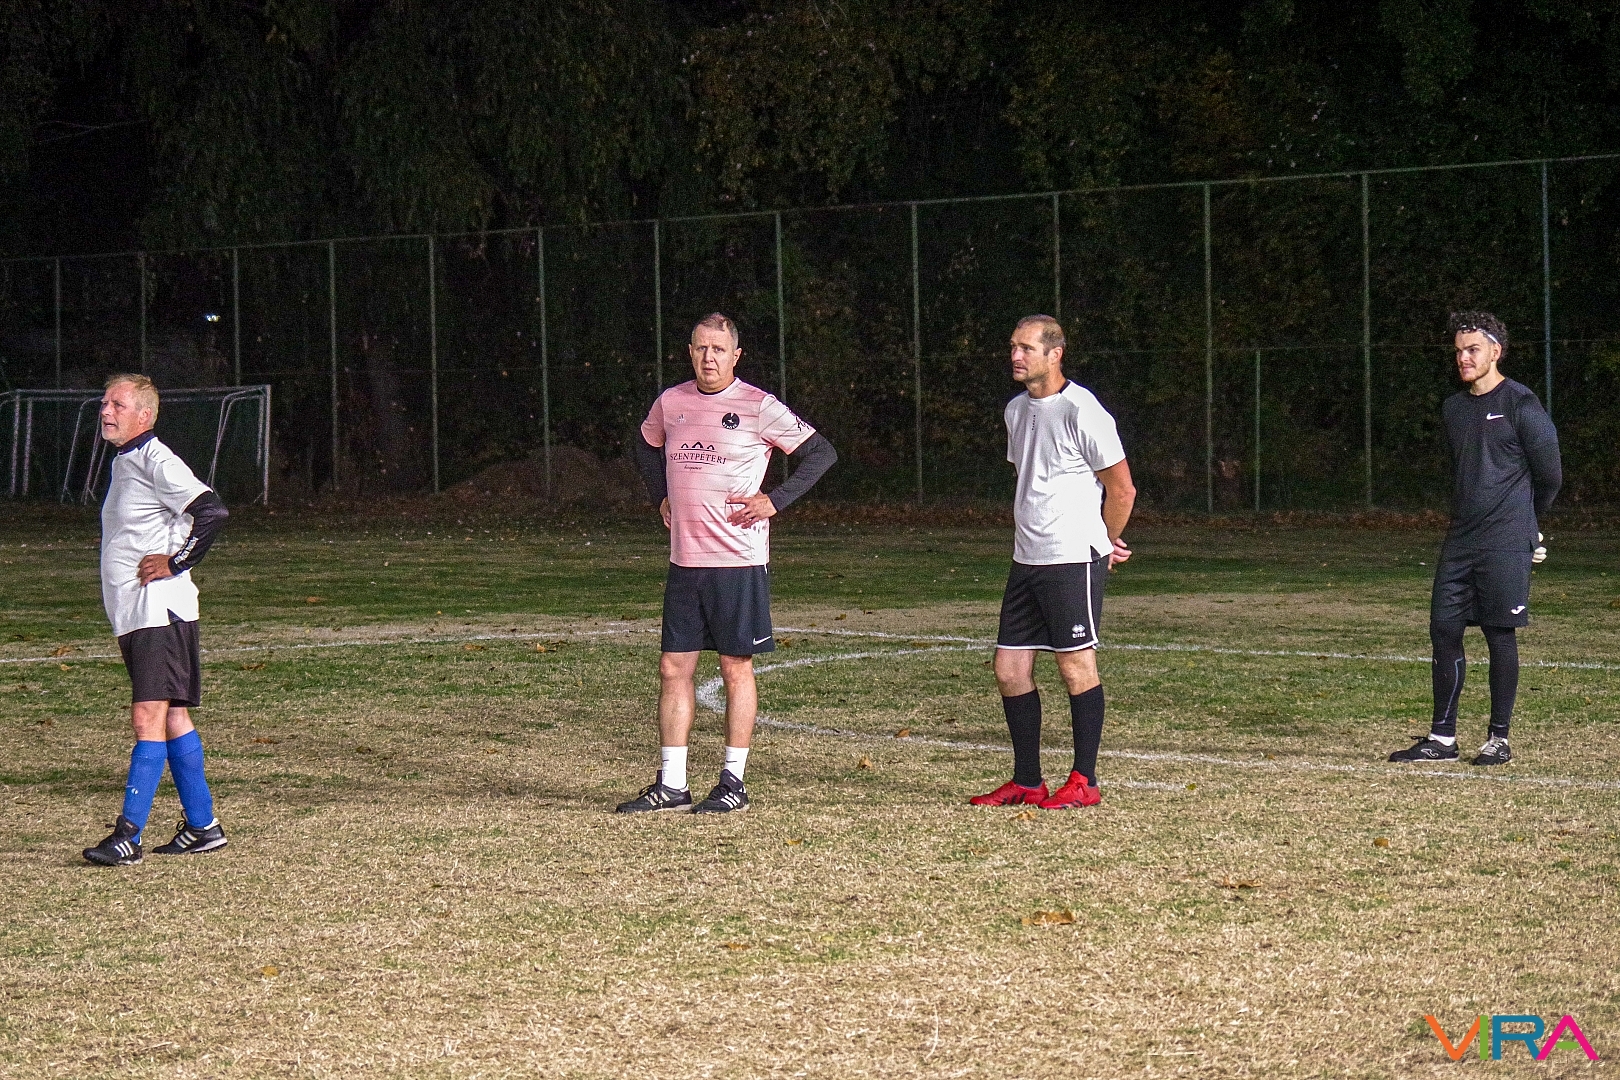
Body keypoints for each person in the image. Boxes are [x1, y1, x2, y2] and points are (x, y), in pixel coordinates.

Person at [617, 313, 837, 814]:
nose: (708, 358)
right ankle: (673, 785)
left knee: (735, 667)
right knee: (673, 667)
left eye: (718, 349)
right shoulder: (671, 402)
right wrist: (661, 494)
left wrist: (775, 500)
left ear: (735, 356)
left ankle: (733, 783)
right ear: (690, 352)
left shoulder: (758, 405)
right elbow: (645, 445)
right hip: (685, 560)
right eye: (700, 348)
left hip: (738, 561)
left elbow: (821, 454)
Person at [971, 316, 1136, 809]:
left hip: (1071, 557)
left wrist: (1105, 540)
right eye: (1013, 346)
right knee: (1009, 669)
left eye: (1026, 348)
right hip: (1027, 558)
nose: (1015, 356)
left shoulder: (1083, 411)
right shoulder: (1015, 410)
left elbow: (1122, 489)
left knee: (1075, 666)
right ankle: (1027, 781)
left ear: (1055, 353)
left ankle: (1085, 781)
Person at [1390, 312, 1561, 767]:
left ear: (1495, 352)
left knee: (1498, 633)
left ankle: (1498, 739)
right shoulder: (1454, 408)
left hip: (1505, 540)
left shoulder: (1522, 404)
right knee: (1444, 629)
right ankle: (1442, 738)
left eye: (1473, 350)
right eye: (1459, 351)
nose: (1463, 358)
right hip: (1461, 539)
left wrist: (1528, 526)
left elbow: (1550, 476)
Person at [82, 374, 231, 866]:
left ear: (144, 415)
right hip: (141, 614)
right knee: (171, 716)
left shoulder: (155, 459)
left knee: (148, 716)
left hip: (157, 612)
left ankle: (128, 836)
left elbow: (212, 512)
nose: (106, 411)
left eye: (118, 404)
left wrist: (176, 562)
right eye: (105, 402)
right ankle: (202, 826)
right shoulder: (127, 461)